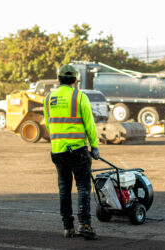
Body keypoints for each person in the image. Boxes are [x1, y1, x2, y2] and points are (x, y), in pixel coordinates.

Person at [43, 64, 99, 239]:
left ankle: (68, 227)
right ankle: (84, 225)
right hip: (78, 150)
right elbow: (89, 124)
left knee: (64, 188)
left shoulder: (49, 98)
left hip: (58, 151)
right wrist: (94, 146)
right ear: (75, 80)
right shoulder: (79, 96)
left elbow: (47, 123)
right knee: (83, 187)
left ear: (58, 79)